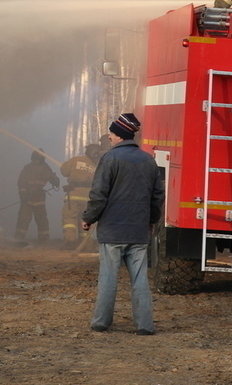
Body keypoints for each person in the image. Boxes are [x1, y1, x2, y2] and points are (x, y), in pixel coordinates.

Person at [81, 113, 164, 335]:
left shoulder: (109, 159)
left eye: (111, 133)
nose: (109, 137)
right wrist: (151, 221)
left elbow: (99, 194)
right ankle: (145, 325)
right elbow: (157, 196)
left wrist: (89, 218)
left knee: (108, 278)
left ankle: (101, 322)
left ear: (119, 135)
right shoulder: (149, 160)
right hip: (138, 231)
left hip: (113, 231)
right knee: (140, 280)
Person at [60, 143, 100, 249]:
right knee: (84, 220)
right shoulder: (97, 167)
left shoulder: (76, 159)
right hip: (88, 197)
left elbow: (64, 171)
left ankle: (70, 242)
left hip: (74, 194)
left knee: (69, 219)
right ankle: (86, 245)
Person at [15, 148, 60, 243]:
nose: (37, 161)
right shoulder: (27, 168)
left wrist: (56, 181)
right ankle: (18, 239)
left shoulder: (45, 168)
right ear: (33, 158)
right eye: (36, 159)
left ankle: (44, 239)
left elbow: (51, 178)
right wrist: (23, 195)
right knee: (24, 219)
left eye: (39, 159)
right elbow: (21, 183)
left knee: (41, 219)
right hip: (27, 198)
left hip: (39, 197)